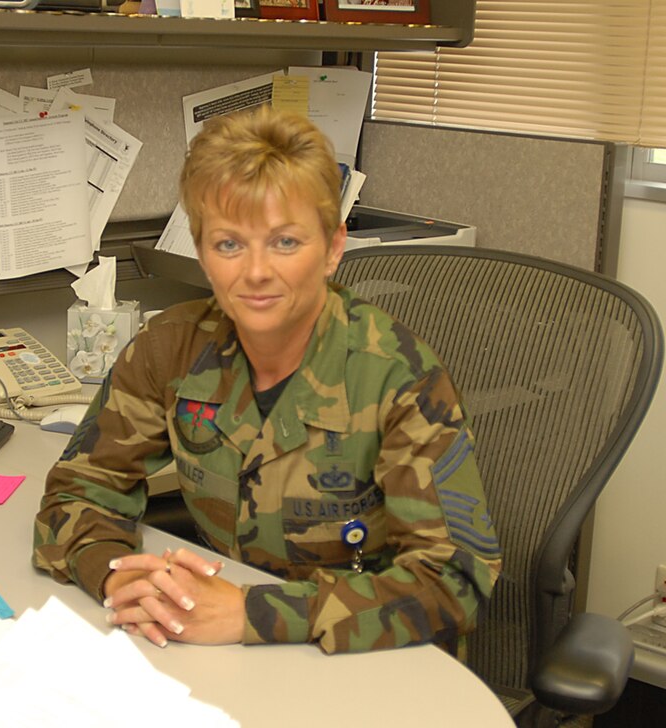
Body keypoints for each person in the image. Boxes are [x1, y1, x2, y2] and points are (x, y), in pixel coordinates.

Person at [33, 105, 502, 654]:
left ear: (332, 250)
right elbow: (80, 490)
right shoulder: (170, 350)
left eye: (285, 242)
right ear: (204, 257)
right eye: (229, 243)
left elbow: (456, 581)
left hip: (369, 658)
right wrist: (119, 578)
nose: (256, 271)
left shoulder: (396, 378)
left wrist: (251, 612)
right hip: (222, 654)